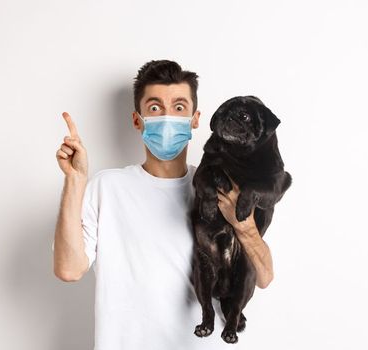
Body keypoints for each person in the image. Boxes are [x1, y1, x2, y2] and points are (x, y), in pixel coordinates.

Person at [51, 60, 274, 349]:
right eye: (155, 108)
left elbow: (265, 277)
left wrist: (241, 224)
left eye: (179, 107)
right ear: (137, 119)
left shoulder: (222, 188)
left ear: (195, 120)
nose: (167, 117)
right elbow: (69, 270)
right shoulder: (107, 187)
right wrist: (75, 180)